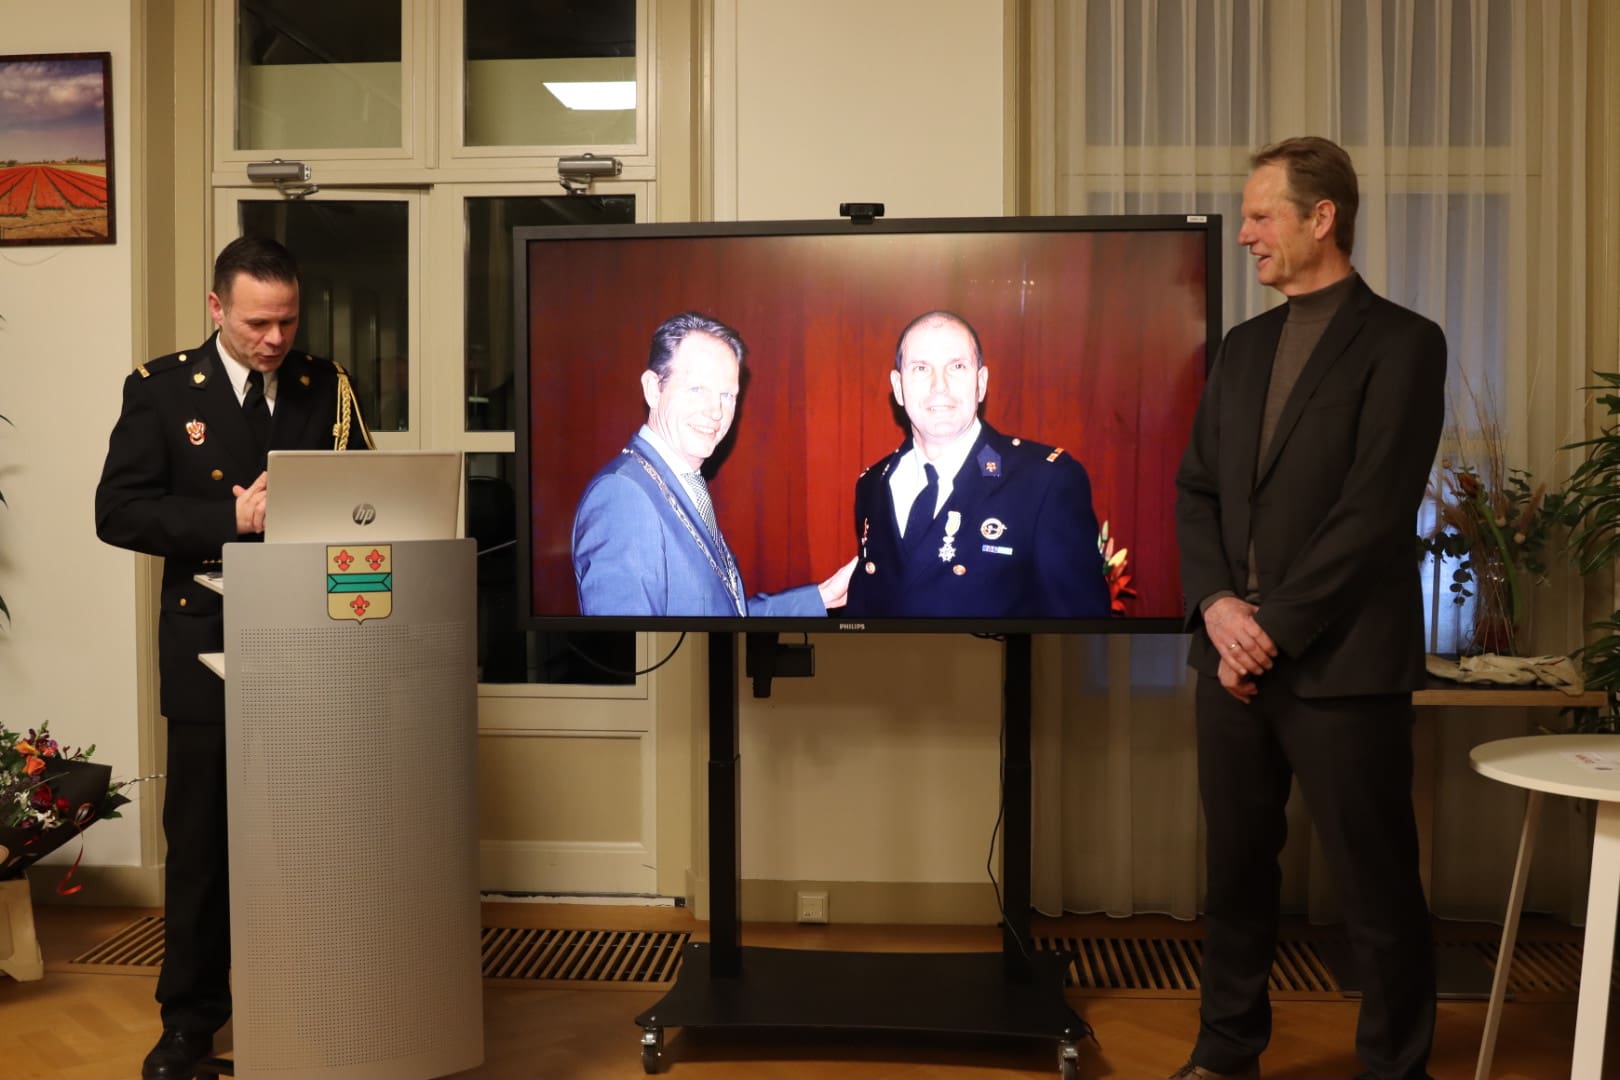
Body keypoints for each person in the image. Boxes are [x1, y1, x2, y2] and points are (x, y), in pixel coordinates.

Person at [1171, 137, 1446, 1080]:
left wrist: (1270, 632)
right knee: (1236, 876)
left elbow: (1374, 512)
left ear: (1321, 218)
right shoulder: (1242, 349)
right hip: (1229, 661)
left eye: (1261, 215)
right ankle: (1226, 1051)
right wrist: (1218, 608)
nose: (1244, 233)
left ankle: (1395, 1068)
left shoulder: (1405, 343)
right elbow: (1197, 490)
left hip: (1342, 665)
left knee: (1377, 888)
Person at [95, 235, 371, 1080]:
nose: (275, 339)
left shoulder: (328, 386)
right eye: (257, 323)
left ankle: (315, 1008)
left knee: (316, 842)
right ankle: (188, 1025)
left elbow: (363, 499)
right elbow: (119, 512)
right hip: (207, 649)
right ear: (217, 308)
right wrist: (232, 518)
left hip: (313, 643)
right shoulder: (162, 389)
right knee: (202, 853)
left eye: (287, 321)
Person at [572, 311, 855, 616]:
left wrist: (821, 597)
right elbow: (633, 643)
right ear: (653, 389)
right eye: (697, 390)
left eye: (727, 395)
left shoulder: (680, 482)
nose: (716, 412)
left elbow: (723, 614)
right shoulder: (624, 497)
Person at [844, 310, 1109, 619]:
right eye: (921, 368)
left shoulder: (1044, 482)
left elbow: (1079, 629)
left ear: (981, 383)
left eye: (957, 366)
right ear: (899, 386)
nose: (939, 386)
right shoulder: (872, 485)